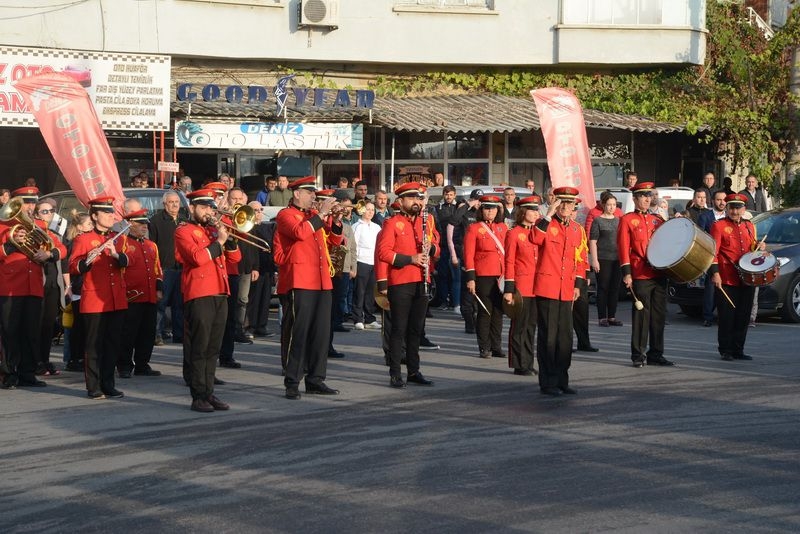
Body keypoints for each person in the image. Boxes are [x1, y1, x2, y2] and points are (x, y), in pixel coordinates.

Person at [274, 176, 343, 399]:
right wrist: (322, 214)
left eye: (314, 193)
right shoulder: (285, 215)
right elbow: (299, 233)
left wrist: (337, 221)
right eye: (309, 192)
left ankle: (316, 379)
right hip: (301, 279)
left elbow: (333, 242)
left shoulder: (314, 216)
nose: (314, 196)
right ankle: (292, 381)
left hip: (322, 279)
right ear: (296, 194)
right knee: (299, 332)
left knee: (321, 333)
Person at [175, 188, 240, 412]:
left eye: (210, 207)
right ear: (191, 208)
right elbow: (197, 258)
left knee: (213, 348)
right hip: (199, 293)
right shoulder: (184, 231)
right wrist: (219, 241)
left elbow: (236, 258)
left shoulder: (213, 231)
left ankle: (209, 392)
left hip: (220, 292)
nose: (208, 212)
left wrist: (228, 239)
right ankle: (198, 395)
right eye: (203, 207)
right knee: (199, 347)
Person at [0, 187, 66, 389]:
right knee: (9, 332)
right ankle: (8, 374)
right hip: (10, 286)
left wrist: (50, 255)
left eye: (32, 203)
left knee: (31, 332)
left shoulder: (40, 226)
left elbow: (61, 248)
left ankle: (28, 373)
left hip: (35, 286)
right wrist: (11, 244)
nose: (29, 207)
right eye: (26, 203)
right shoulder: (4, 226)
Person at [375, 182, 439, 388]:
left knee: (416, 330)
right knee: (399, 330)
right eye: (411, 199)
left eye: (418, 198)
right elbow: (383, 253)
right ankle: (395, 373)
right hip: (401, 281)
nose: (416, 202)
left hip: (423, 280)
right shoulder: (392, 223)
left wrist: (431, 250)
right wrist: (410, 259)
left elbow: (437, 250)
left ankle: (414, 370)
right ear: (400, 202)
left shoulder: (426, 221)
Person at [69, 196, 129, 399]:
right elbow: (73, 266)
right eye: (107, 212)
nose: (112, 216)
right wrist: (88, 260)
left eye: (112, 212)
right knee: (94, 345)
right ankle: (93, 386)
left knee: (113, 344)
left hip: (116, 299)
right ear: (94, 216)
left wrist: (115, 255)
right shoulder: (83, 239)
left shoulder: (118, 238)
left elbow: (127, 261)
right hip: (95, 300)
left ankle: (108, 383)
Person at [530, 187, 588, 396]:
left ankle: (562, 379)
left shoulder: (577, 229)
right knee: (548, 338)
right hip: (547, 288)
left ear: (575, 206)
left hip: (567, 289)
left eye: (569, 203)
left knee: (565, 339)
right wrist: (548, 213)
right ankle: (548, 382)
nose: (565, 207)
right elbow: (535, 239)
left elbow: (581, 260)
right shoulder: (545, 224)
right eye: (561, 203)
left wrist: (578, 286)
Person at [618, 182, 674, 368]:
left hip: (659, 273)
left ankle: (656, 353)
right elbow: (623, 248)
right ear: (634, 199)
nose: (647, 199)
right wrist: (627, 273)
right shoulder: (627, 220)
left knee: (659, 316)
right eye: (642, 196)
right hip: (640, 273)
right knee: (642, 315)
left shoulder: (658, 220)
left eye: (649, 196)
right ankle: (638, 354)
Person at [709, 193, 764, 361]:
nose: (735, 211)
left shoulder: (749, 226)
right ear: (727, 208)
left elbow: (752, 248)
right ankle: (725, 349)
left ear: (744, 209)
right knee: (727, 316)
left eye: (738, 208)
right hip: (727, 278)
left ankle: (738, 349)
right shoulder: (719, 226)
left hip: (746, 278)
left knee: (743, 315)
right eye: (732, 207)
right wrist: (715, 273)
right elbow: (713, 252)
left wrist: (760, 246)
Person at [117, 209, 163, 378]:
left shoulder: (152, 245)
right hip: (132, 296)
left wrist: (159, 289)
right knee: (129, 333)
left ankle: (143, 364)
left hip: (149, 295)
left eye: (146, 224)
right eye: (140, 224)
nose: (145, 227)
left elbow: (157, 269)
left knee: (148, 332)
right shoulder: (122, 241)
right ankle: (124, 365)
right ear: (130, 225)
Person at [464, 194, 507, 359]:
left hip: (501, 274)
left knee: (498, 312)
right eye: (487, 208)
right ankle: (484, 347)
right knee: (485, 312)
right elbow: (468, 255)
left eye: (494, 208)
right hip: (483, 275)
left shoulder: (502, 227)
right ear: (481, 210)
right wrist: (471, 278)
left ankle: (496, 346)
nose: (490, 211)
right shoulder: (474, 228)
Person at [503, 195, 541, 376]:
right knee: (519, 326)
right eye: (532, 210)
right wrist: (509, 290)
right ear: (523, 212)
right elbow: (509, 261)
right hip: (521, 285)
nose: (536, 213)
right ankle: (519, 363)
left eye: (537, 210)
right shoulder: (514, 233)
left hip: (537, 285)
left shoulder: (537, 232)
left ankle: (528, 361)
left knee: (531, 326)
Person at [34, 198, 66, 376]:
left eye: (51, 211)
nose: (49, 214)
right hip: (39, 283)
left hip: (53, 283)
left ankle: (45, 360)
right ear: (37, 214)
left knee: (48, 325)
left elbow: (63, 250)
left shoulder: (52, 232)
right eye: (45, 211)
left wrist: (50, 253)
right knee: (37, 324)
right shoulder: (35, 230)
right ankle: (35, 361)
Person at [149, 191, 185, 345]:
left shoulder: (185, 220)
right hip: (165, 268)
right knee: (161, 304)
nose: (175, 204)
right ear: (164, 204)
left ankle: (179, 334)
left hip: (181, 268)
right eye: (171, 202)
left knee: (179, 304)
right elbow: (151, 246)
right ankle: (156, 334)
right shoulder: (155, 221)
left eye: (177, 201)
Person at [61, 211, 92, 373]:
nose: (91, 227)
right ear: (79, 227)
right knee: (76, 327)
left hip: (81, 287)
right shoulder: (74, 242)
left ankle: (77, 357)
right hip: (77, 287)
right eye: (89, 225)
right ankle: (74, 358)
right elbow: (69, 265)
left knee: (80, 326)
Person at [449, 188, 482, 333]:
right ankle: (469, 324)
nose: (479, 203)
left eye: (481, 200)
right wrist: (467, 206)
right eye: (476, 200)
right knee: (467, 294)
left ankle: (477, 321)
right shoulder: (465, 212)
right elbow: (453, 221)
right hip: (466, 256)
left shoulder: (482, 213)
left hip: (481, 259)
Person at [589, 192, 623, 327]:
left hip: (617, 259)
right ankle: (602, 317)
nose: (611, 207)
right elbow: (592, 241)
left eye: (614, 205)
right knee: (603, 288)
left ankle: (612, 317)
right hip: (603, 258)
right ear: (603, 205)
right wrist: (594, 260)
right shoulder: (598, 220)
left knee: (615, 288)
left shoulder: (619, 220)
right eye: (609, 205)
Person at [245, 201, 276, 338]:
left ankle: (261, 325)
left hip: (267, 267)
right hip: (255, 268)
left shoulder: (267, 227)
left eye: (260, 209)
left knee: (265, 299)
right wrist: (253, 267)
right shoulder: (247, 227)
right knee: (254, 299)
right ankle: (250, 326)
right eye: (255, 210)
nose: (258, 213)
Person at [698, 190, 728, 327]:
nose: (722, 202)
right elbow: (701, 237)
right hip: (711, 257)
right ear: (713, 201)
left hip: (727, 259)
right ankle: (708, 317)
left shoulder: (730, 216)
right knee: (710, 288)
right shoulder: (705, 217)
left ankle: (724, 315)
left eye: (724, 200)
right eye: (718, 200)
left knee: (726, 287)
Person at [351, 199, 381, 330]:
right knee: (360, 291)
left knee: (370, 292)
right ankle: (357, 318)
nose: (370, 212)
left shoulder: (377, 227)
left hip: (373, 262)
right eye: (368, 209)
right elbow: (353, 246)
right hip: (361, 261)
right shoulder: (357, 226)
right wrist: (354, 265)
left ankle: (370, 318)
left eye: (372, 210)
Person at [434, 185, 460, 311]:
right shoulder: (437, 208)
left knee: (456, 277)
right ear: (443, 195)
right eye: (446, 194)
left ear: (454, 195)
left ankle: (456, 303)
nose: (448, 197)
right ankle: (443, 301)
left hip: (456, 247)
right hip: (443, 246)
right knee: (443, 275)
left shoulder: (459, 208)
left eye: (451, 194)